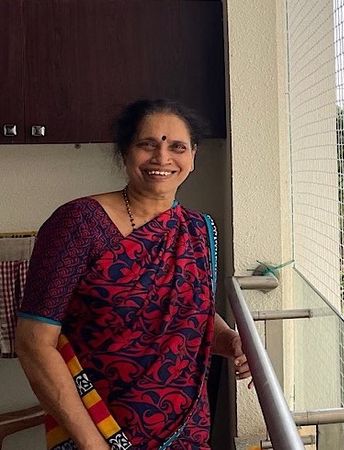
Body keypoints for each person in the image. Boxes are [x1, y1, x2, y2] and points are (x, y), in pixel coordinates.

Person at [15, 99, 249, 450]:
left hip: (185, 429)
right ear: (125, 152)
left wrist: (231, 341)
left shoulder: (198, 229)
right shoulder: (78, 224)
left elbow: (189, 316)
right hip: (96, 428)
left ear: (193, 156)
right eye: (147, 144)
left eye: (177, 147)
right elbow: (34, 342)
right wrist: (92, 444)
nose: (162, 157)